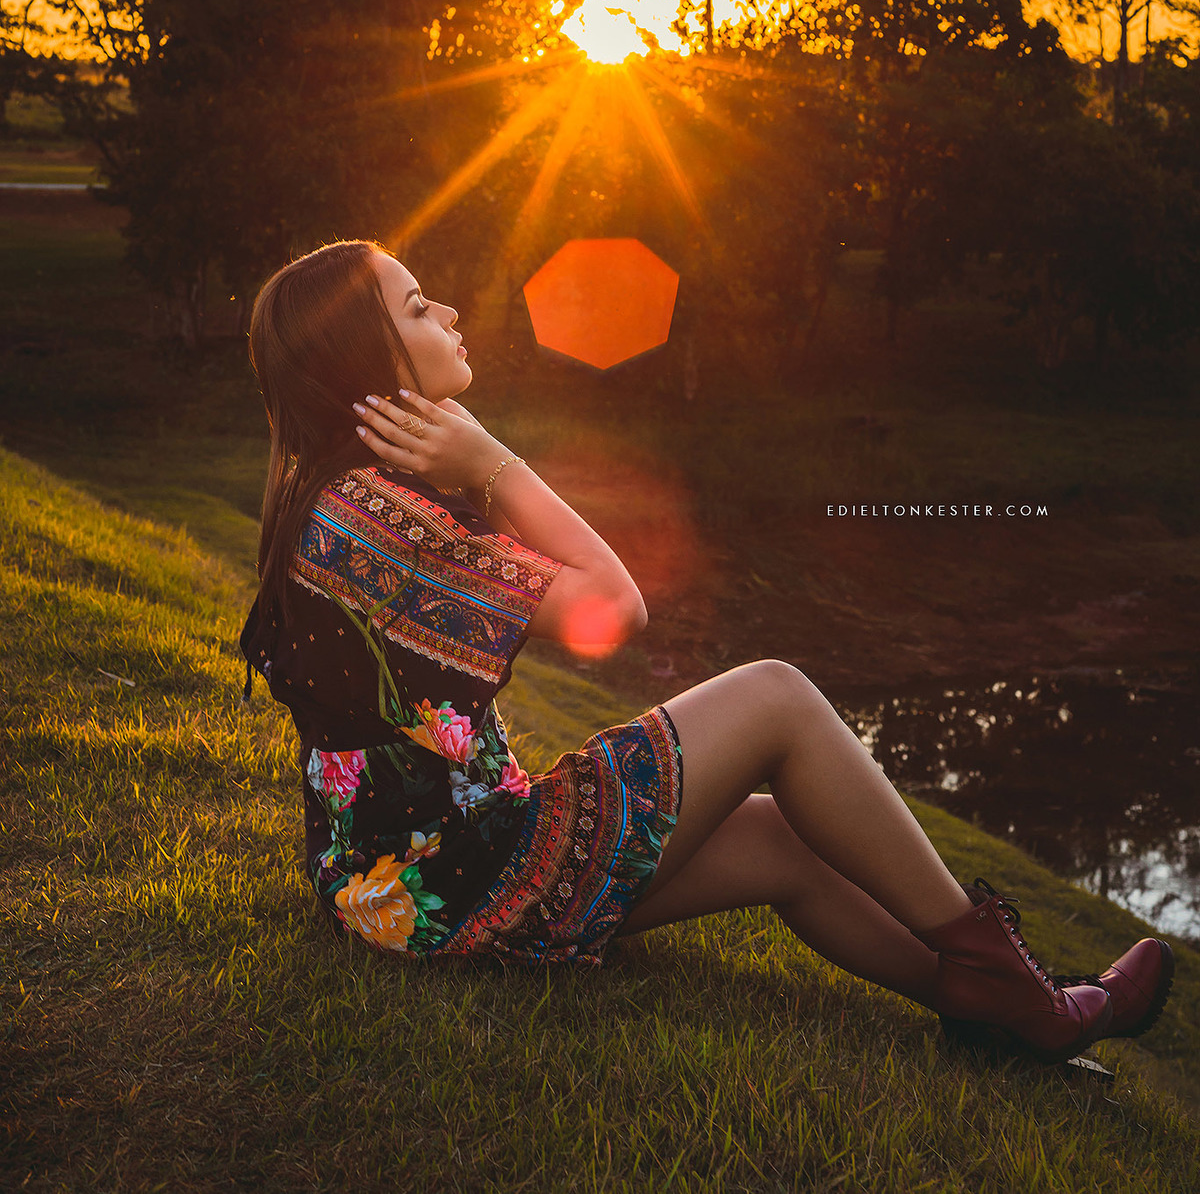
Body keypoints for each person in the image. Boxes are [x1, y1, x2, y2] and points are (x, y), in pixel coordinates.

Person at [240, 238, 1173, 1065]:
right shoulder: (373, 518)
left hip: (413, 885)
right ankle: (1017, 985)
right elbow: (617, 606)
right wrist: (494, 463)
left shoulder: (344, 495)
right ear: (370, 364)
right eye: (416, 306)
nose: (447, 311)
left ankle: (997, 1010)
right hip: (459, 887)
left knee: (782, 836)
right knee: (776, 695)